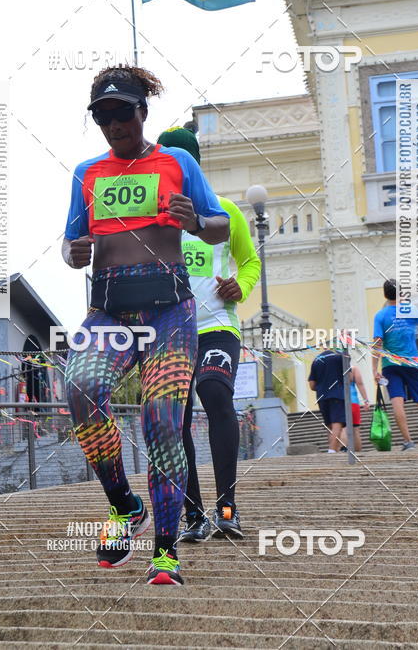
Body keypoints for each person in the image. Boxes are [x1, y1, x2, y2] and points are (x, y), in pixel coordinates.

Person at [62, 65, 229, 586]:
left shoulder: (175, 161)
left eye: (122, 112)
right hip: (109, 308)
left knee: (161, 420)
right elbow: (69, 248)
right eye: (102, 115)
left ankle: (165, 551)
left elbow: (219, 225)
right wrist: (76, 251)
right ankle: (125, 506)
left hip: (168, 310)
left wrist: (195, 221)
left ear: (143, 111)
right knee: (80, 390)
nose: (113, 124)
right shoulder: (86, 173)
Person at [157, 126, 261, 542]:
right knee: (174, 419)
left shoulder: (225, 212)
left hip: (218, 325)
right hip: (170, 331)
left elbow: (249, 262)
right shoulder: (153, 214)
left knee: (216, 394)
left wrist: (242, 286)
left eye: (181, 163)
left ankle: (228, 507)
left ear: (194, 165)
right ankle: (194, 514)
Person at [372, 279, 418, 451]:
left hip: (390, 364)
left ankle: (409, 442)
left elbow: (377, 344)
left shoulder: (380, 316)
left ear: (385, 294)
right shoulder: (410, 310)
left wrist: (374, 370)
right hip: (412, 362)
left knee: (397, 401)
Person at [308, 346, 346, 453]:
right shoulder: (340, 357)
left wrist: (322, 387)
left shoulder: (316, 360)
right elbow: (350, 377)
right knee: (337, 423)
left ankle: (334, 450)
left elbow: (312, 385)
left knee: (329, 425)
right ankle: (332, 450)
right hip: (337, 394)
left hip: (322, 397)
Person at [340, 365, 370, 452]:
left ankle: (344, 450)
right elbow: (360, 383)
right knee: (355, 429)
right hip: (353, 402)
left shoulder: (334, 368)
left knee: (343, 427)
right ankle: (358, 453)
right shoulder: (353, 369)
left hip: (340, 401)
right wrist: (366, 400)